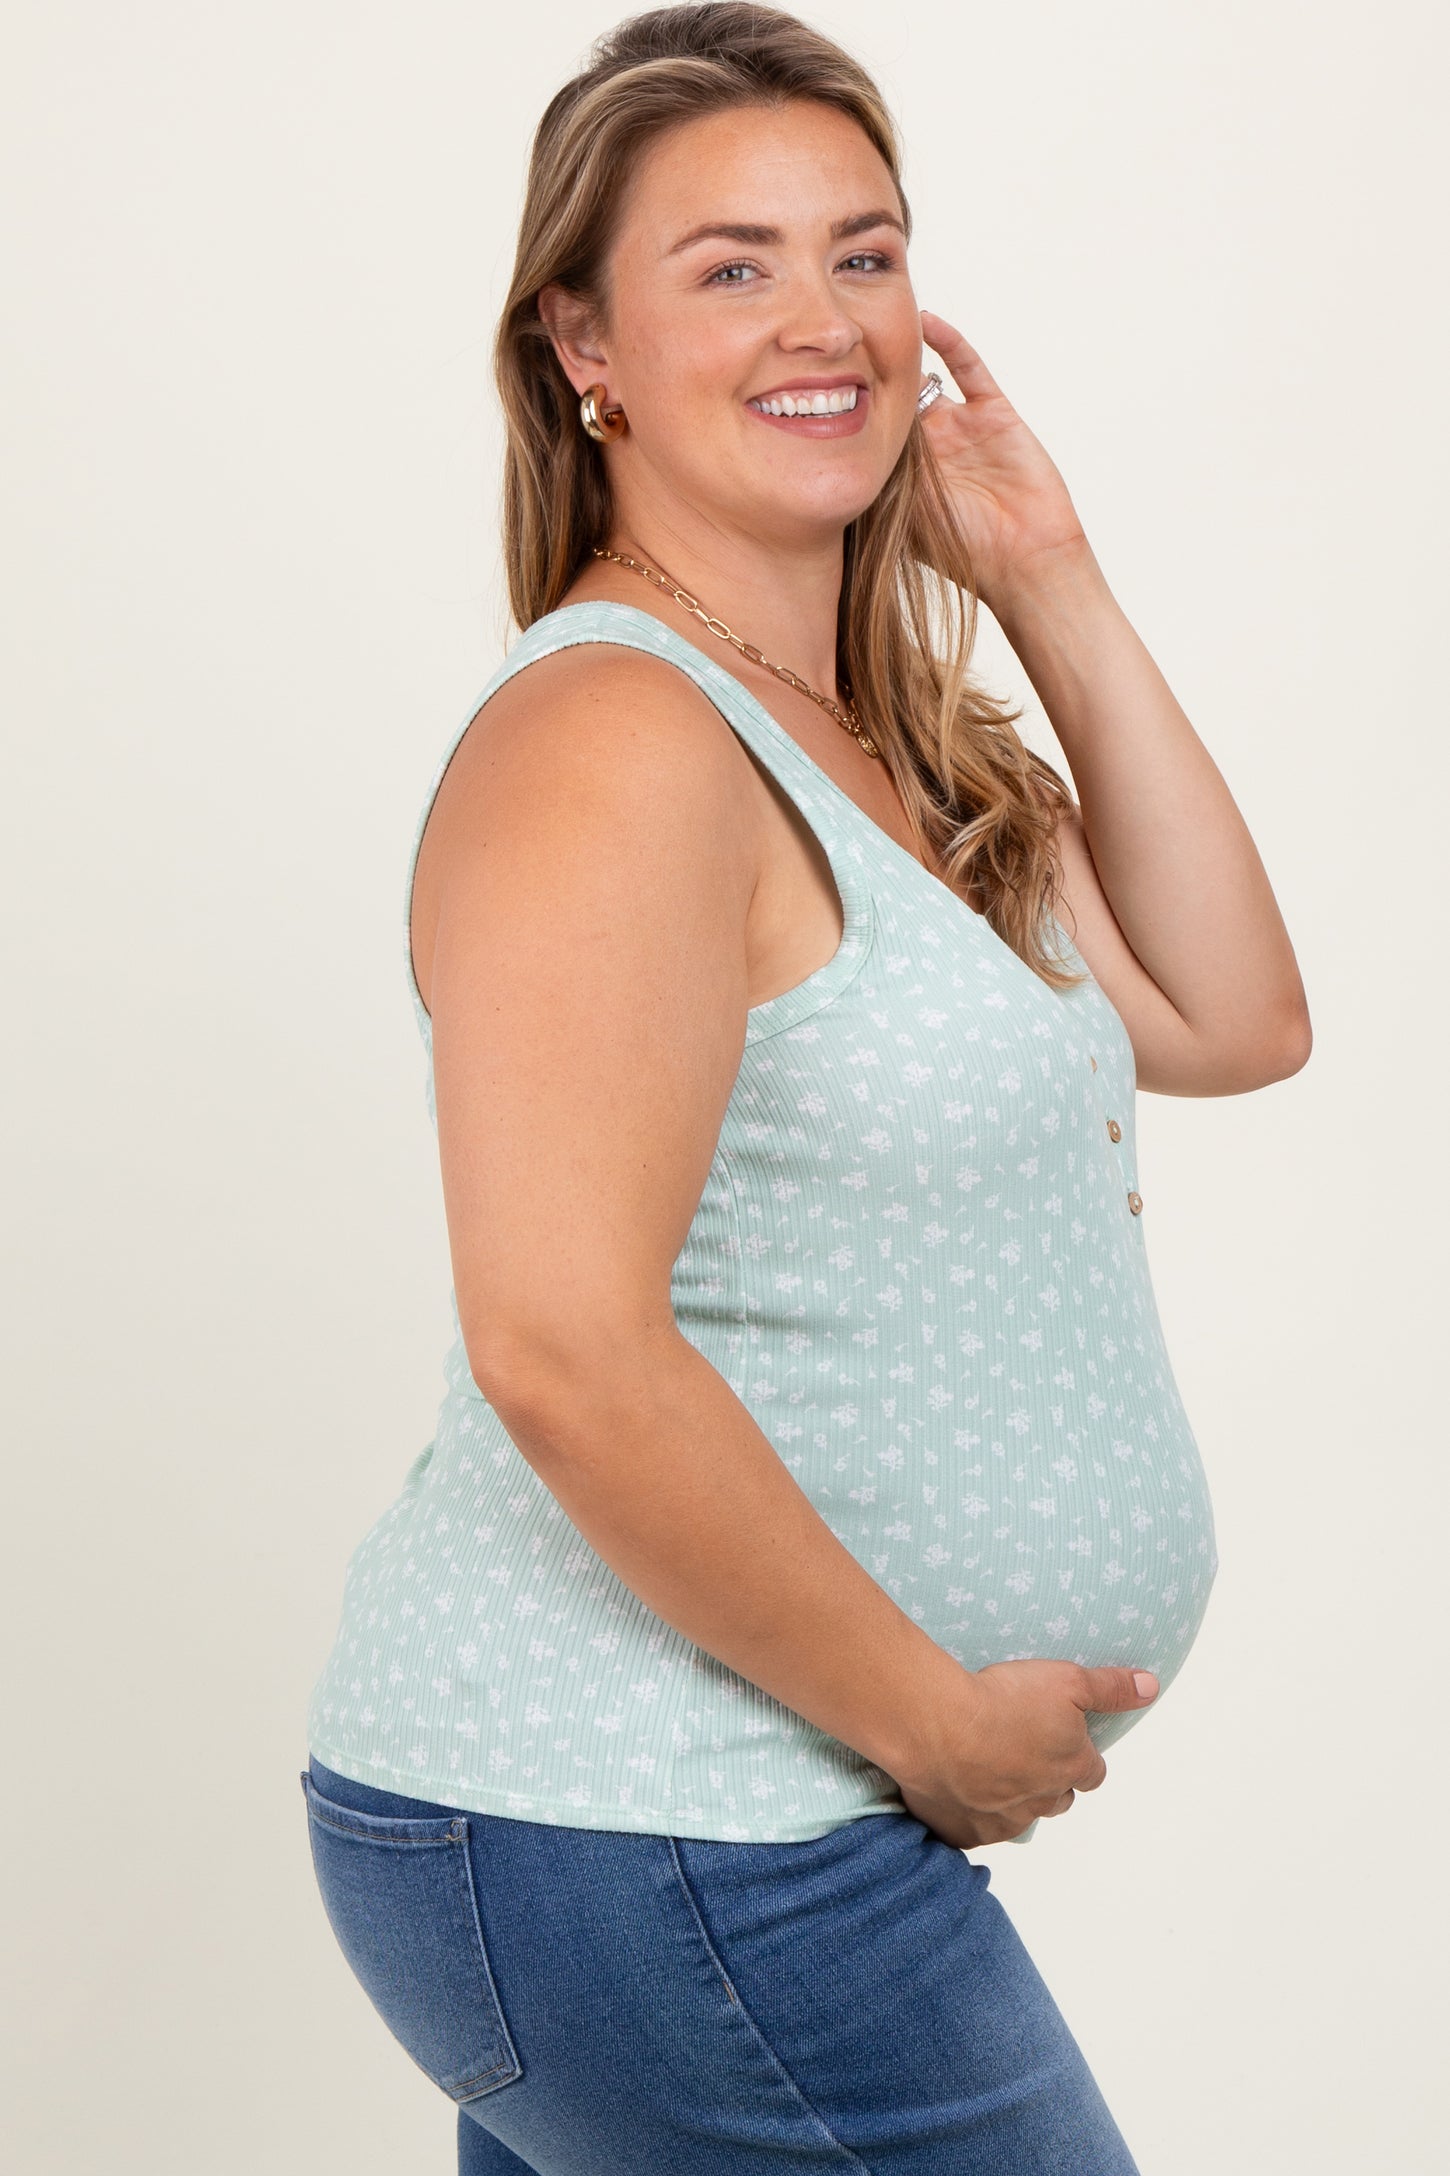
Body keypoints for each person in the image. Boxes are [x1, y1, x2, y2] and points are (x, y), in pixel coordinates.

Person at [298, 6, 1311, 2169]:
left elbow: (1234, 1015)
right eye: (729, 266)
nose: (821, 317)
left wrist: (1039, 576)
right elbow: (559, 1341)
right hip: (645, 1811)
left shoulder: (873, 738)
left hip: (686, 1822)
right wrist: (921, 1711)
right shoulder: (613, 745)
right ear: (581, 342)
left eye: (862, 252)